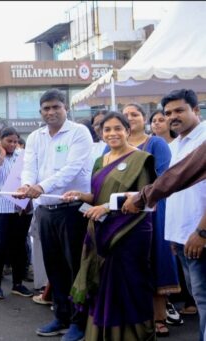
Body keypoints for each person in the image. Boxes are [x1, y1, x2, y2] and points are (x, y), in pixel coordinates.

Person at [63, 112, 157, 340]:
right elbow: (97, 196)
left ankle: (134, 336)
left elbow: (145, 199)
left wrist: (106, 206)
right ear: (101, 134)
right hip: (102, 232)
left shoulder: (141, 159)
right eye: (107, 130)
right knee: (103, 286)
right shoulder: (100, 160)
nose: (112, 133)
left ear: (128, 130)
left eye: (118, 128)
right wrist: (82, 195)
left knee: (130, 286)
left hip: (129, 233)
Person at [16, 89, 93, 340]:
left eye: (55, 107)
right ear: (40, 112)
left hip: (72, 210)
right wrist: (27, 186)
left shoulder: (79, 132)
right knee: (54, 268)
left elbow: (73, 169)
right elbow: (29, 166)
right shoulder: (36, 136)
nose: (50, 112)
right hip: (45, 210)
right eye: (46, 108)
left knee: (74, 269)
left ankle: (79, 322)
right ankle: (61, 316)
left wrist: (41, 187)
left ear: (65, 108)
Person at [122, 103, 180, 334]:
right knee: (129, 264)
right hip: (123, 212)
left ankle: (159, 318)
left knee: (154, 260)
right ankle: (135, 317)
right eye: (125, 115)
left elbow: (164, 178)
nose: (130, 118)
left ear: (143, 117)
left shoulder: (155, 143)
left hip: (151, 210)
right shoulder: (112, 146)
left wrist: (139, 196)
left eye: (134, 114)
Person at [159, 89, 206, 341]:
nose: (172, 117)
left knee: (205, 300)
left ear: (196, 110)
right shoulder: (174, 145)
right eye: (168, 113)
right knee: (200, 300)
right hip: (183, 239)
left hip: (200, 237)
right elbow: (175, 194)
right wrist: (174, 237)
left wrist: (201, 232)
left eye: (179, 110)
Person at [0, 127, 33, 299]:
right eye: (8, 141)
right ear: (0, 140)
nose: (12, 144)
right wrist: (1, 155)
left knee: (18, 247)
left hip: (20, 209)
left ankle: (18, 284)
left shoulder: (23, 157)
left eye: (15, 141)